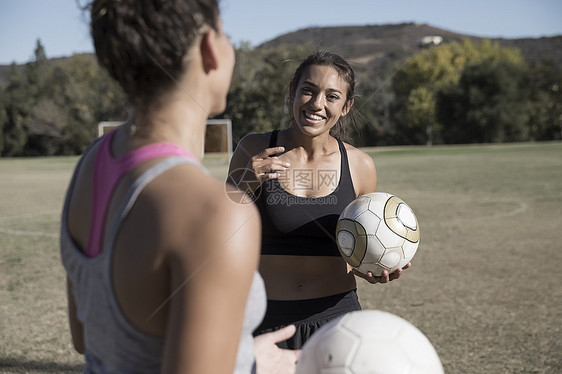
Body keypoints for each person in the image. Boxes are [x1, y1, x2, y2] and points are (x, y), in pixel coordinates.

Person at [61, 1, 298, 373]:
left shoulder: (91, 164)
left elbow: (86, 337)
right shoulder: (215, 214)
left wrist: (241, 355)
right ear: (209, 48)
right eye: (227, 35)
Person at [227, 51, 411, 349]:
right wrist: (247, 180)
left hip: (337, 321)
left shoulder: (360, 165)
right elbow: (218, 232)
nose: (317, 104)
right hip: (264, 320)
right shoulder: (254, 147)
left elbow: (359, 245)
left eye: (332, 96)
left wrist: (372, 268)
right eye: (308, 91)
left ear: (346, 106)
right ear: (292, 92)